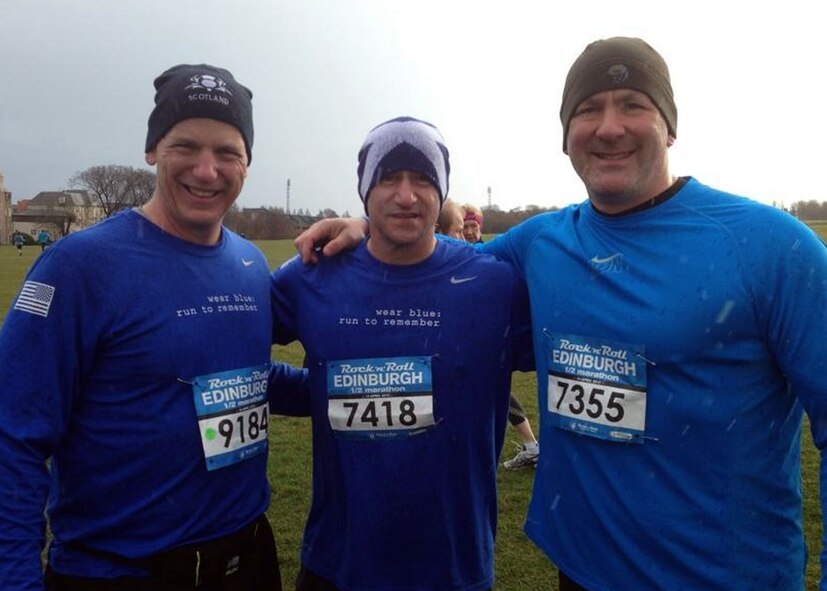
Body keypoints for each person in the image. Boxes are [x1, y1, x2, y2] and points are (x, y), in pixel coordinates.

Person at [294, 37, 827, 591]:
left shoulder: (772, 248)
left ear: (670, 126)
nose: (609, 127)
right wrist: (365, 229)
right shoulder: (543, 243)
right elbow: (431, 267)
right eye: (588, 109)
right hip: (577, 570)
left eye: (633, 105)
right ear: (566, 136)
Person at [0, 63, 308, 591]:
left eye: (227, 152)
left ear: (247, 164)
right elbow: (13, 438)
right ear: (152, 151)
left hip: (248, 560)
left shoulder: (252, 265)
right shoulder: (81, 266)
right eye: (186, 146)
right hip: (118, 572)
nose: (207, 170)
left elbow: (246, 377)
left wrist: (353, 385)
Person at [271, 116, 532, 591]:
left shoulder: (496, 284)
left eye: (423, 180)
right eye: (389, 178)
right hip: (338, 565)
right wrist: (320, 391)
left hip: (454, 567)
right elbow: (227, 352)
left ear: (443, 193)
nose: (406, 195)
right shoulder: (310, 276)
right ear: (365, 190)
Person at [434, 211, 540, 469]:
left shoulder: (488, 258)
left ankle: (530, 445)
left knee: (495, 395)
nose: (466, 234)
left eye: (470, 227)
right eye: (460, 229)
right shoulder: (440, 262)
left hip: (476, 348)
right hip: (453, 349)